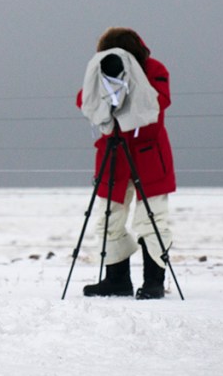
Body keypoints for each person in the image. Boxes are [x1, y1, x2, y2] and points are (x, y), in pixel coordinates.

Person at [75, 27, 176, 300]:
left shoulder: (154, 69)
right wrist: (105, 79)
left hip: (148, 153)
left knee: (153, 219)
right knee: (109, 218)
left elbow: (159, 102)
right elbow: (85, 101)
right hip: (115, 154)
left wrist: (131, 79)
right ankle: (117, 279)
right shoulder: (101, 69)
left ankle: (154, 281)